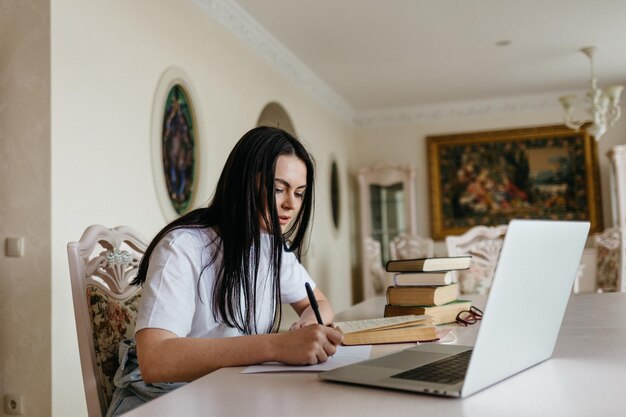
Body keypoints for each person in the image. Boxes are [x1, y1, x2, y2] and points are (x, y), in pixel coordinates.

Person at [107, 126, 343, 416]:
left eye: (299, 193)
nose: (290, 204)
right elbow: (156, 360)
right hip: (159, 400)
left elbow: (318, 303)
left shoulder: (271, 247)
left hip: (228, 394)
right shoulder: (183, 247)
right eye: (278, 189)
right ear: (244, 182)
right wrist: (277, 345)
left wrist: (306, 327)